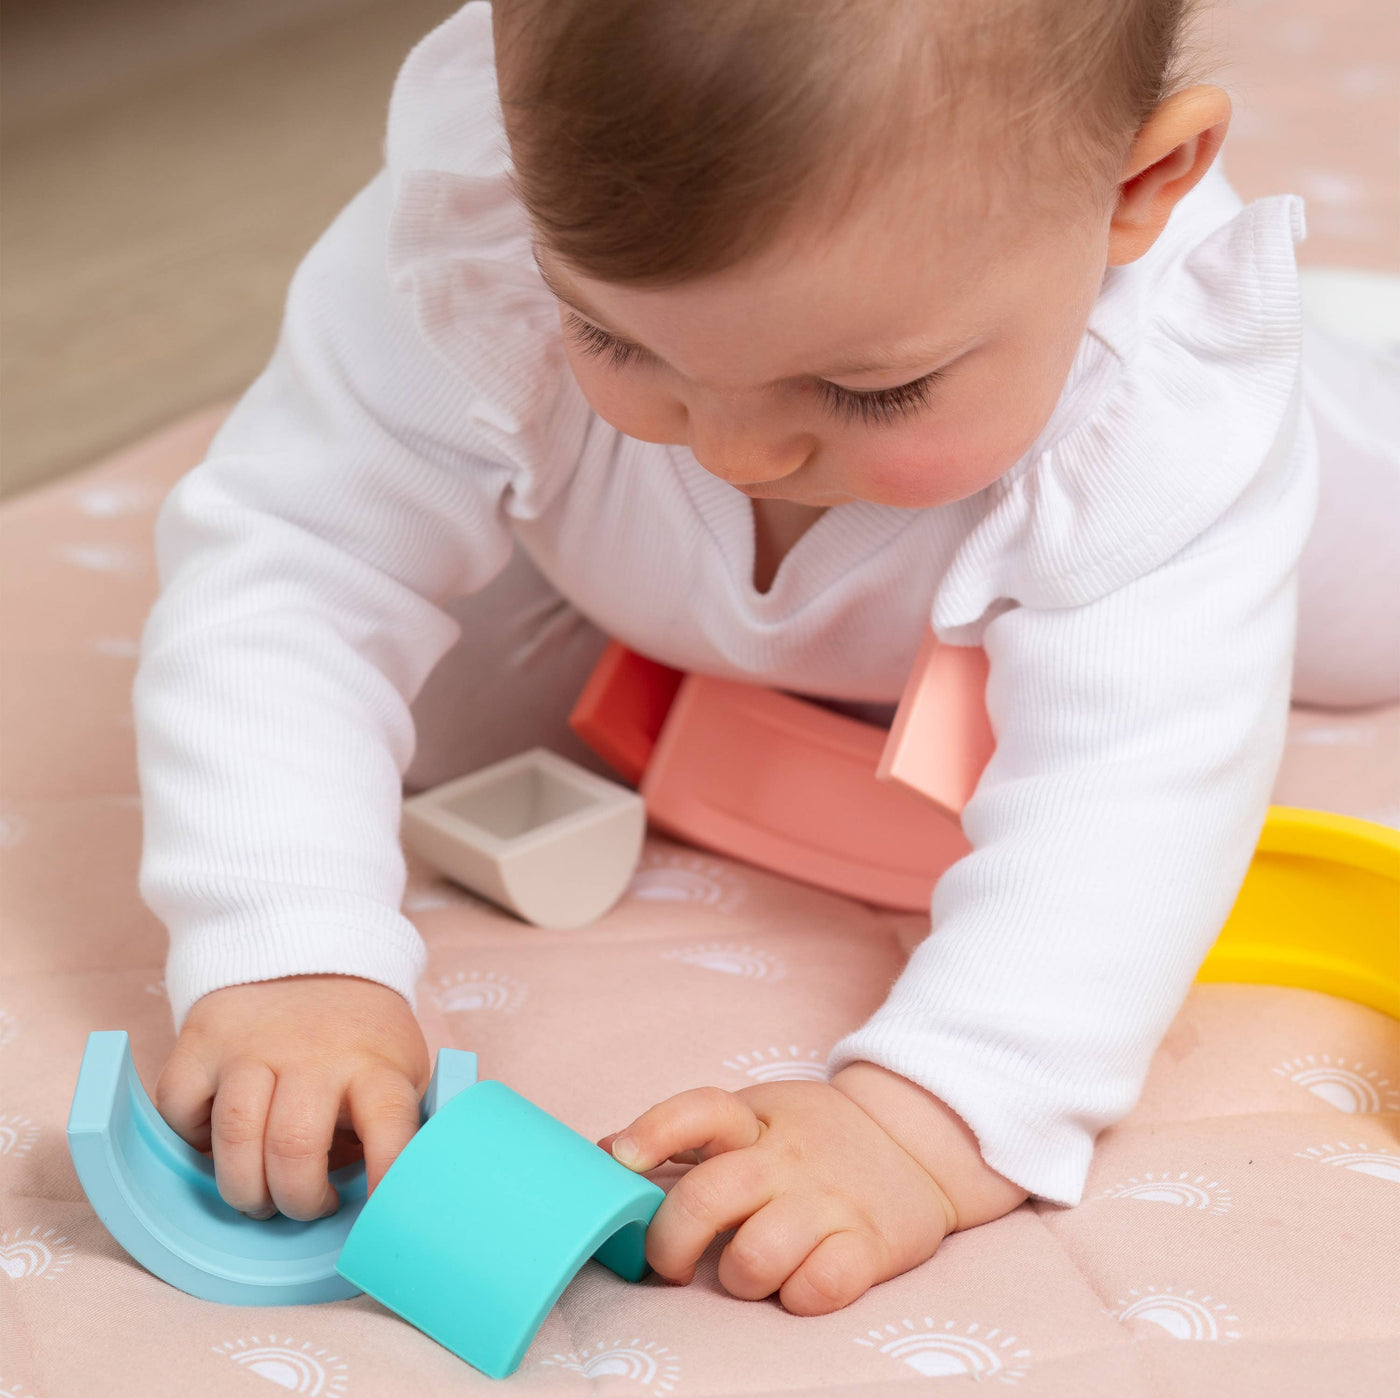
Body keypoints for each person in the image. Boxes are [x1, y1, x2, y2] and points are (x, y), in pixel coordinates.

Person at [133, 0, 1399, 1315]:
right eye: (618, 340)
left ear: (1138, 187)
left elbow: (1138, 780)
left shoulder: (1161, 412)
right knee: (454, 714)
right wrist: (288, 950)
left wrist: (937, 1112)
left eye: (868, 389)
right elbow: (295, 564)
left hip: (1227, 513)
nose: (735, 451)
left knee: (1367, 620)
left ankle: (1347, 356)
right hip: (644, 585)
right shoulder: (475, 240)